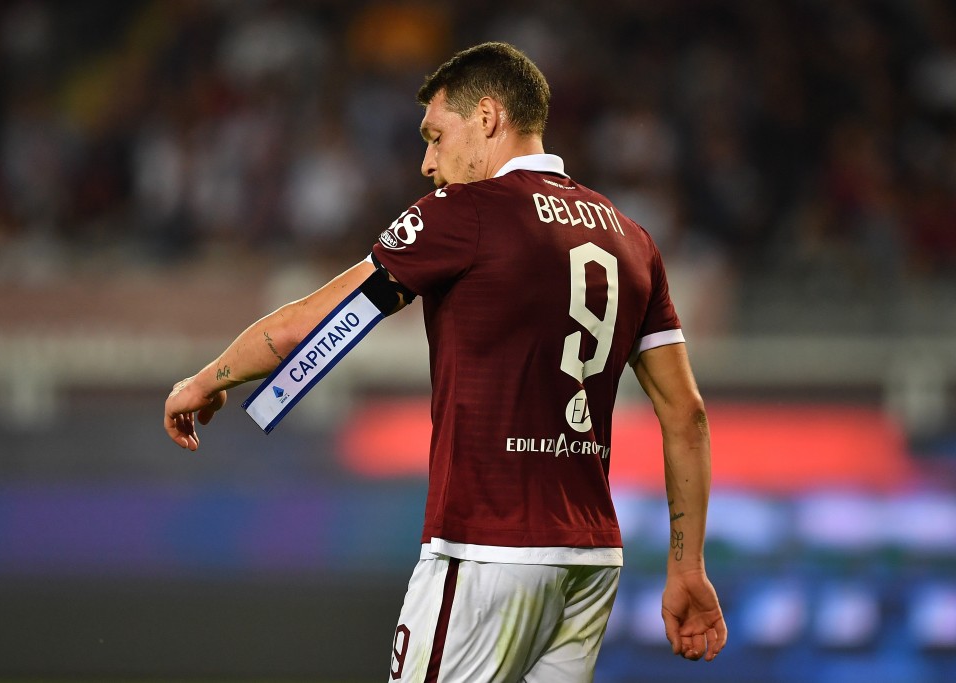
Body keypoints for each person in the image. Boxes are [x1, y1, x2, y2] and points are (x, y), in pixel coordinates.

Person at [164, 41, 727, 682]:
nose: (428, 163)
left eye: (435, 137)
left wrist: (206, 379)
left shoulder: (465, 214)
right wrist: (687, 567)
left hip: (486, 549)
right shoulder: (633, 239)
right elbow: (687, 416)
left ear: (487, 117)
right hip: (590, 562)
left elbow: (309, 325)